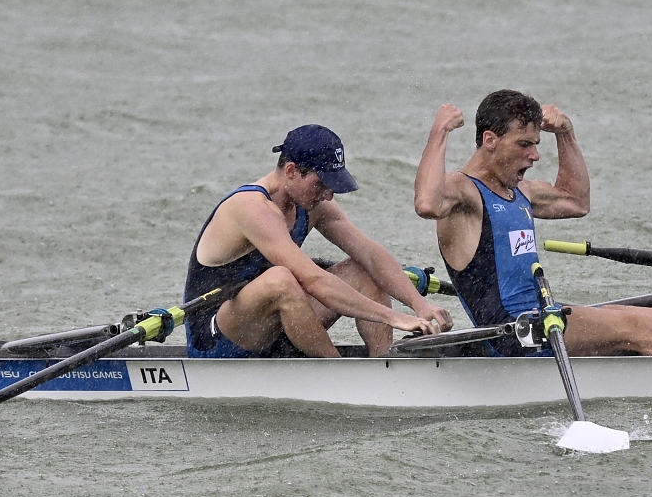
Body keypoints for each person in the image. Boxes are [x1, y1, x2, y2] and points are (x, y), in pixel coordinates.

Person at [413, 89, 652, 357]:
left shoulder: (523, 192)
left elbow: (576, 201)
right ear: (490, 140)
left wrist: (566, 134)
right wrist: (439, 131)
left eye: (536, 145)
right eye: (524, 144)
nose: (535, 156)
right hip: (515, 334)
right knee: (639, 331)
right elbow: (427, 203)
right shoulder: (464, 192)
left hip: (545, 317)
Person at [184, 124, 453, 359]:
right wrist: (395, 318)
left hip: (278, 326)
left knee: (364, 269)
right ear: (291, 171)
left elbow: (371, 255)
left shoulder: (312, 204)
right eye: (322, 183)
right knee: (280, 280)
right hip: (218, 338)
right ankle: (336, 374)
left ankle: (383, 366)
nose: (328, 195)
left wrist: (420, 306)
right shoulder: (251, 207)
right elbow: (313, 280)